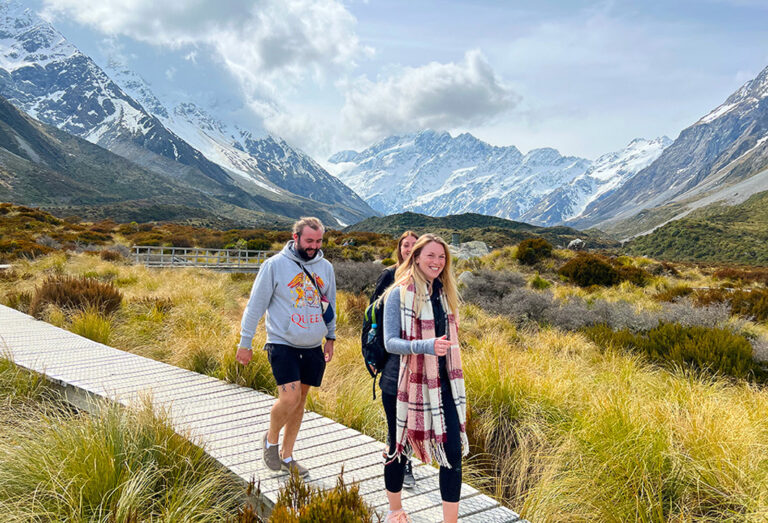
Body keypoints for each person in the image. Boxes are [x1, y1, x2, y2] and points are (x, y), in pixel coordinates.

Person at [236, 217, 336, 478]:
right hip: (282, 343)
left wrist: (331, 338)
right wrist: (245, 343)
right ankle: (270, 440)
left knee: (300, 402)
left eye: (318, 241)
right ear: (296, 238)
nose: (314, 246)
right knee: (289, 398)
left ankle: (288, 456)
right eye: (309, 241)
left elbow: (330, 305)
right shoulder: (275, 266)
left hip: (313, 345)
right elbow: (255, 306)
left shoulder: (325, 267)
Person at [381, 234, 468, 523]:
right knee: (398, 447)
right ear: (416, 257)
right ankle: (395, 510)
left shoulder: (444, 294)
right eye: (430, 255)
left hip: (443, 384)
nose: (437, 262)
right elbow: (390, 342)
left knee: (452, 453)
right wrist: (425, 346)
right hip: (401, 383)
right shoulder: (398, 293)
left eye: (442, 257)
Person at [369, 230, 419, 489]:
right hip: (391, 356)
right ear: (399, 248)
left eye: (413, 245)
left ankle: (397, 456)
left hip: (418, 357)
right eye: (405, 245)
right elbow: (372, 317)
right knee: (397, 415)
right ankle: (402, 463)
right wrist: (371, 355)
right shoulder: (389, 276)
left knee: (409, 414)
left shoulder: (425, 277)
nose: (409, 249)